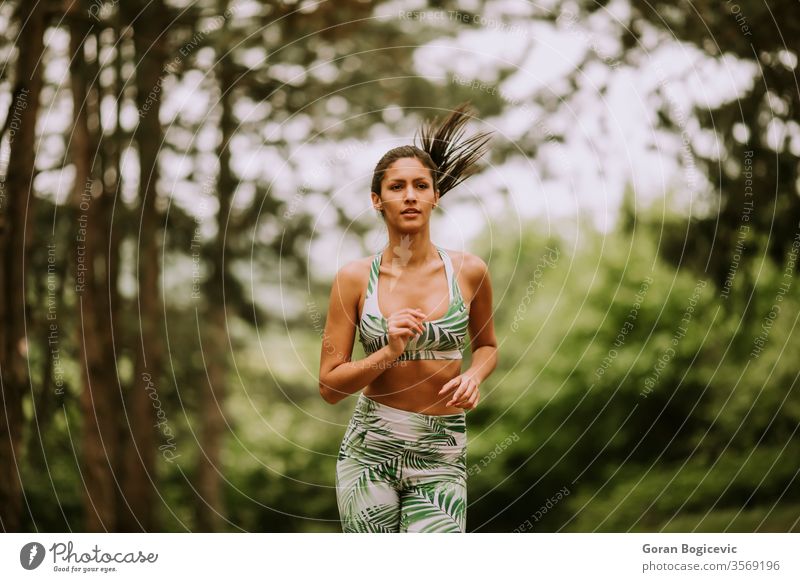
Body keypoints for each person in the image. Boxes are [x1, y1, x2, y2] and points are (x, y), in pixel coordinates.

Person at [318, 102, 499, 533]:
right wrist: (389, 350)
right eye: (397, 187)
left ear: (436, 195)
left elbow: (487, 346)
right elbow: (328, 387)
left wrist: (474, 377)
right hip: (371, 448)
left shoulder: (469, 271)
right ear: (377, 200)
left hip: (442, 448)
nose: (411, 195)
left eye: (421, 185)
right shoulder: (353, 279)